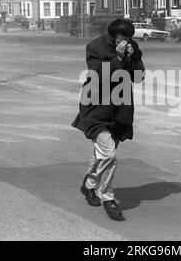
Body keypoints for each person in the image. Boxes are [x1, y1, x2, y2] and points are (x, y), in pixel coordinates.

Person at [72, 19, 145, 221]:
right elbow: (98, 76)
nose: (126, 40)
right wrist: (119, 58)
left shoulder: (132, 46)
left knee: (103, 154)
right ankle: (108, 198)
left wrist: (134, 57)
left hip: (120, 108)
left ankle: (88, 185)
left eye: (129, 36)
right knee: (109, 155)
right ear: (113, 35)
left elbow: (139, 77)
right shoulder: (95, 47)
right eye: (122, 37)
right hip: (96, 107)